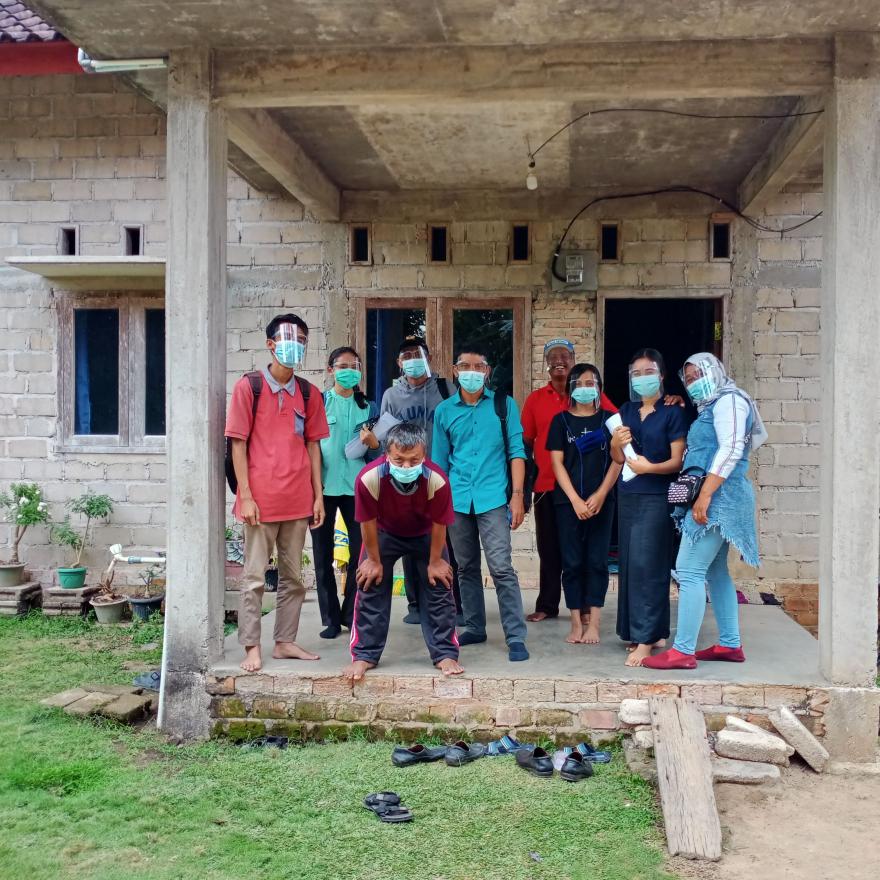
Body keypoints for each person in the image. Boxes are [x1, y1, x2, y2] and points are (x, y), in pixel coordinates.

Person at [643, 353, 767, 670]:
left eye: (699, 374)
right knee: (715, 571)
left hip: (718, 499)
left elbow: (731, 448)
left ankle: (683, 651)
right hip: (717, 496)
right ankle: (729, 644)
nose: (694, 382)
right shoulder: (711, 406)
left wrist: (706, 494)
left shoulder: (730, 401)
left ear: (715, 371)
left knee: (688, 570)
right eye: (689, 378)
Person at [225, 313, 329, 673]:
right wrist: (246, 496)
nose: (295, 346)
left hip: (298, 501)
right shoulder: (249, 387)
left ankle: (285, 641)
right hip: (260, 502)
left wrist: (318, 495)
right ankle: (251, 646)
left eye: (301, 340)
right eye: (288, 339)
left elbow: (313, 446)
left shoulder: (308, 393)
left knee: (294, 578)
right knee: (254, 578)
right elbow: (237, 444)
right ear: (271, 344)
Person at [432, 341, 530, 662]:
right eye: (465, 366)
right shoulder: (444, 411)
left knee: (501, 568)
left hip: (493, 499)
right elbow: (439, 464)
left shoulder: (504, 405)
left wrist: (517, 497)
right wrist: (438, 506)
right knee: (466, 567)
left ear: (487, 372)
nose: (471, 372)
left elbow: (517, 452)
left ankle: (515, 636)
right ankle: (475, 626)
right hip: (457, 500)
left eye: (478, 367)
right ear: (455, 371)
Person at [343, 422, 462, 682]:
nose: (406, 466)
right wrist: (374, 561)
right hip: (384, 532)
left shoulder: (437, 480)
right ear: (387, 453)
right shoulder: (368, 478)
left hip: (426, 533)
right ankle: (364, 654)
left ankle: (444, 652)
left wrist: (435, 562)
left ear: (424, 455)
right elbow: (367, 522)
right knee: (370, 582)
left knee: (440, 584)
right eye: (399, 460)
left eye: (414, 460)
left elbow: (440, 523)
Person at [522, 339, 617, 623]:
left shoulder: (593, 396)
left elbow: (620, 424)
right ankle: (547, 604)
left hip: (587, 486)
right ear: (546, 364)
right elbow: (525, 442)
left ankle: (586, 606)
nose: (559, 361)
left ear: (574, 361)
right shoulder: (535, 400)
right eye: (553, 357)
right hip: (548, 485)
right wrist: (523, 486)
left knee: (587, 550)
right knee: (549, 548)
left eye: (565, 356)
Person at [610, 349, 688, 667]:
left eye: (649, 372)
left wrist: (649, 468)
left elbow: (678, 461)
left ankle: (646, 640)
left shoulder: (673, 412)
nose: (642, 378)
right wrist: (615, 444)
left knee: (649, 566)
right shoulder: (626, 410)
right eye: (636, 373)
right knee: (630, 565)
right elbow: (618, 458)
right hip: (628, 496)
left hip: (657, 496)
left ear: (661, 375)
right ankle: (644, 632)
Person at [379, 336, 462, 625]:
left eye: (419, 355)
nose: (413, 361)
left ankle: (454, 603)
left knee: (445, 540)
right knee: (410, 538)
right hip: (405, 475)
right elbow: (385, 437)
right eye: (407, 356)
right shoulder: (392, 395)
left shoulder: (446, 389)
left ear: (429, 359)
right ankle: (415, 604)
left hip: (439, 476)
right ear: (399, 363)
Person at [546, 363, 622, 645]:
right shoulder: (560, 421)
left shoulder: (611, 420)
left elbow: (619, 460)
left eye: (591, 383)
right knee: (572, 562)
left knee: (597, 561)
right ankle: (576, 622)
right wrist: (575, 500)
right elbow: (557, 463)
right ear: (570, 388)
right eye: (579, 383)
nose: (585, 388)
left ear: (599, 387)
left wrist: (601, 494)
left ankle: (595, 624)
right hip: (568, 504)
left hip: (603, 501)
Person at [311, 346, 380, 640]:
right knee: (322, 553)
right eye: (343, 366)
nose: (350, 371)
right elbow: (310, 446)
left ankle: (351, 613)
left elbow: (379, 452)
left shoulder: (369, 407)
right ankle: (329, 618)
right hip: (323, 489)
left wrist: (374, 443)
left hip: (357, 489)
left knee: (359, 553)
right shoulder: (318, 402)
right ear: (331, 370)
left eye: (355, 366)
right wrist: (314, 489)